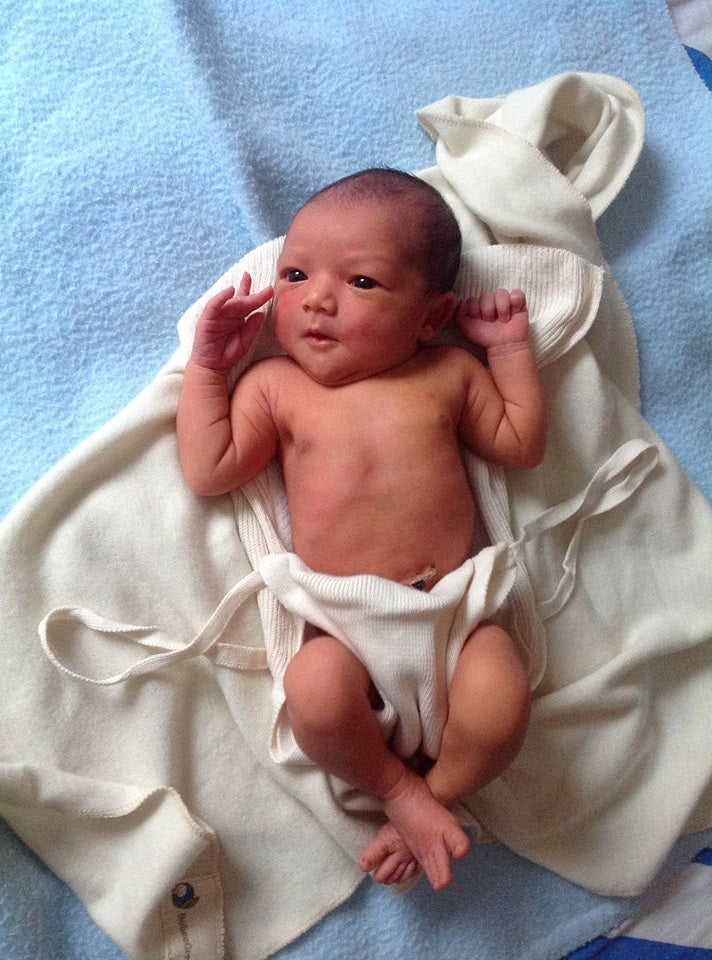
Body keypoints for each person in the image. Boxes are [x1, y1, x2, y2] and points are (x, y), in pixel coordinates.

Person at [177, 168, 547, 890]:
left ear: (430, 316)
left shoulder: (447, 375)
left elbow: (520, 444)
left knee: (502, 700)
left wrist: (506, 352)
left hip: (452, 615)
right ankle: (399, 790)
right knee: (312, 693)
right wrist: (208, 369)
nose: (316, 298)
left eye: (363, 283)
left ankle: (434, 797)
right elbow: (209, 466)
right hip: (342, 629)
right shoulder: (277, 388)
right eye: (294, 273)